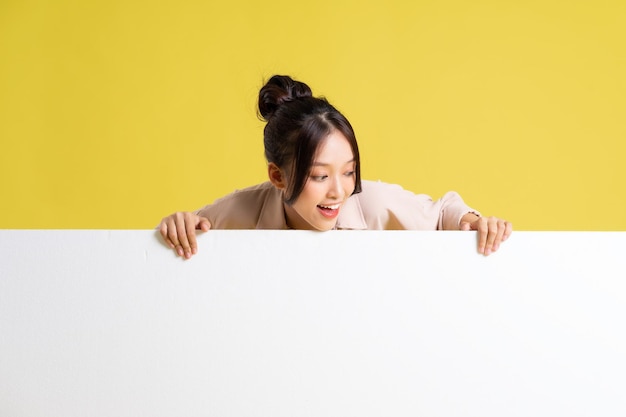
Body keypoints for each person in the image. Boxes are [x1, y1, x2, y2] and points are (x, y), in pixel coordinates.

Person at [159, 75, 512, 259]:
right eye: (320, 175)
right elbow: (190, 228)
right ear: (277, 176)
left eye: (348, 171)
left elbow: (443, 213)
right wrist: (180, 224)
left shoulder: (369, 202)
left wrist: (475, 222)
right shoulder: (242, 211)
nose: (339, 191)